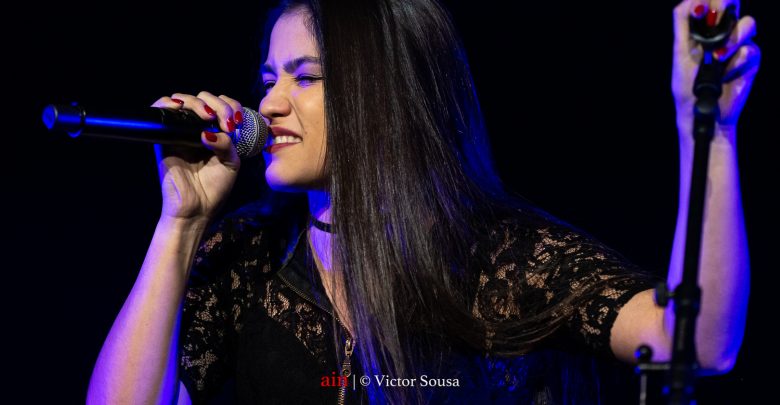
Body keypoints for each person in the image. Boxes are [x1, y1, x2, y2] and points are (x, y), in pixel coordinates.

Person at [86, 0, 758, 403]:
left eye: (306, 77)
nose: (269, 103)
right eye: (268, 79)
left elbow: (697, 343)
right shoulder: (243, 256)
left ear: (388, 91)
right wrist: (180, 223)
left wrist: (710, 129)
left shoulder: (501, 256)